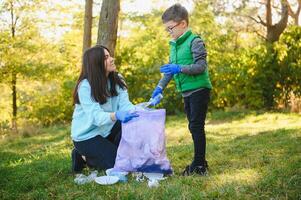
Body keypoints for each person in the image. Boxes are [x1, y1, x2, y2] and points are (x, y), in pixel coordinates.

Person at [151, 4, 212, 176]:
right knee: (193, 127)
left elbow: (201, 66)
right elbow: (171, 70)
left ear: (183, 24)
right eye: (167, 29)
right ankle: (200, 162)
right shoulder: (174, 45)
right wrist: (159, 86)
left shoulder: (195, 41)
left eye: (170, 28)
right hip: (186, 91)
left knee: (196, 126)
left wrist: (179, 68)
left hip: (199, 89)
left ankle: (199, 165)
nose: (169, 32)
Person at [71, 45, 139, 173]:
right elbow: (96, 118)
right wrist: (116, 115)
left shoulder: (117, 79)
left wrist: (142, 110)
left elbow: (126, 105)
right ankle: (82, 156)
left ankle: (110, 150)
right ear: (96, 63)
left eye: (110, 55)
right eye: (106, 57)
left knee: (131, 133)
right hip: (88, 135)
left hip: (108, 128)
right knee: (117, 163)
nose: (112, 59)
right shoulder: (85, 86)